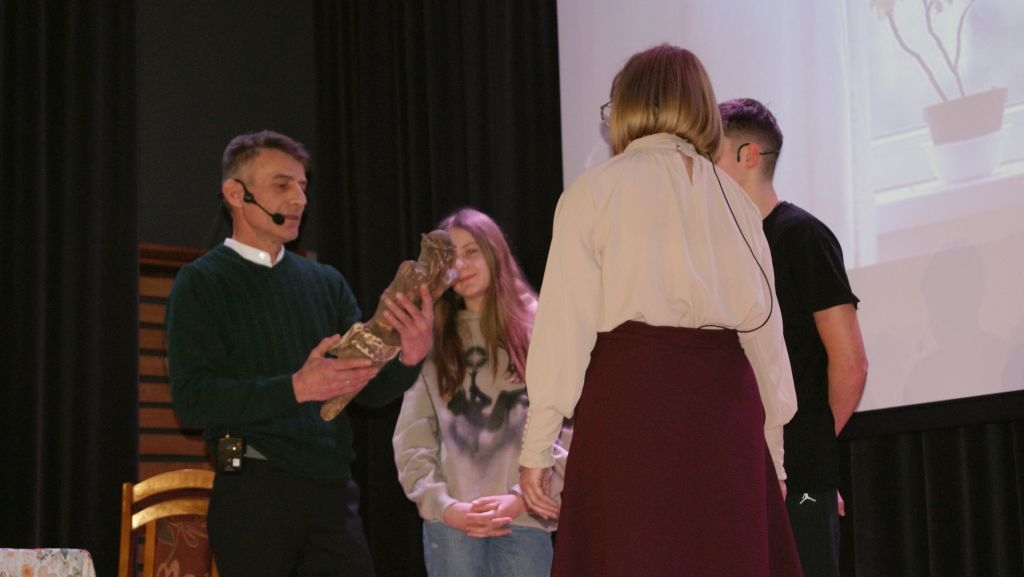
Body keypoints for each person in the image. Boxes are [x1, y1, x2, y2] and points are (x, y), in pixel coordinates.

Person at [516, 44, 802, 577]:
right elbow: (765, 340)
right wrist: (773, 459)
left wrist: (537, 448)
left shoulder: (592, 192)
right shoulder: (738, 203)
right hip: (724, 411)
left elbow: (564, 329)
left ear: (625, 106)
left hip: (632, 406)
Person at [166, 130, 435, 577]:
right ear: (236, 193)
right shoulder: (202, 282)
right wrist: (296, 387)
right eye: (282, 185)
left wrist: (410, 356)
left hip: (331, 491)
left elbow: (367, 392)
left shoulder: (325, 282)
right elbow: (193, 400)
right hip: (251, 487)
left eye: (303, 186)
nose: (299, 199)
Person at [717, 98, 869, 577]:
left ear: (748, 156)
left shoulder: (801, 236)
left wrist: (809, 449)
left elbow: (850, 362)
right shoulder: (724, 249)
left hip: (798, 470)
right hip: (740, 467)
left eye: (711, 154)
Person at [392, 207, 571, 577]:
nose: (461, 265)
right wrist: (443, 505)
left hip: (524, 520)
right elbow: (413, 436)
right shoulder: (430, 338)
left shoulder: (540, 327)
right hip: (453, 526)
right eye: (451, 258)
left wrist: (523, 498)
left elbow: (569, 424)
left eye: (471, 251)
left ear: (494, 253)